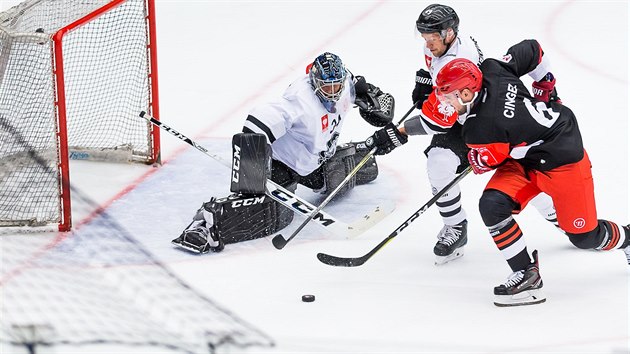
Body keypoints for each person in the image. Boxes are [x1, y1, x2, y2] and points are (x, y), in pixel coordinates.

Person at [430, 40, 630, 306]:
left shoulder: (481, 128)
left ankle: (628, 238)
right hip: (530, 155)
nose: (446, 103)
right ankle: (526, 274)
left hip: (563, 161)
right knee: (492, 205)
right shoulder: (492, 69)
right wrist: (544, 81)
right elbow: (532, 49)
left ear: (467, 94)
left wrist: (476, 159)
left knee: (585, 237)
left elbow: (488, 159)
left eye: (449, 96)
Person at [171, 52, 398, 253]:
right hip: (284, 164)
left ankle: (352, 154)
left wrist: (374, 102)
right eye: (326, 87)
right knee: (276, 215)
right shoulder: (300, 101)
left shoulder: (346, 84)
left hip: (317, 160)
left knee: (353, 172)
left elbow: (378, 99)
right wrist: (252, 167)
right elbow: (257, 122)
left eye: (335, 86)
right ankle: (207, 224)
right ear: (314, 82)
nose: (332, 93)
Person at [386, 3, 558, 265]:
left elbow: (437, 122)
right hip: (463, 109)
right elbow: (444, 89)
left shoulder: (458, 58)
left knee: (519, 171)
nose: (427, 43)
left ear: (450, 33)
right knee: (440, 161)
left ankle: (562, 216)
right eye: (424, 37)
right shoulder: (440, 46)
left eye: (432, 37)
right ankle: (456, 227)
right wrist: (428, 81)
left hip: (491, 121)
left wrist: (400, 132)